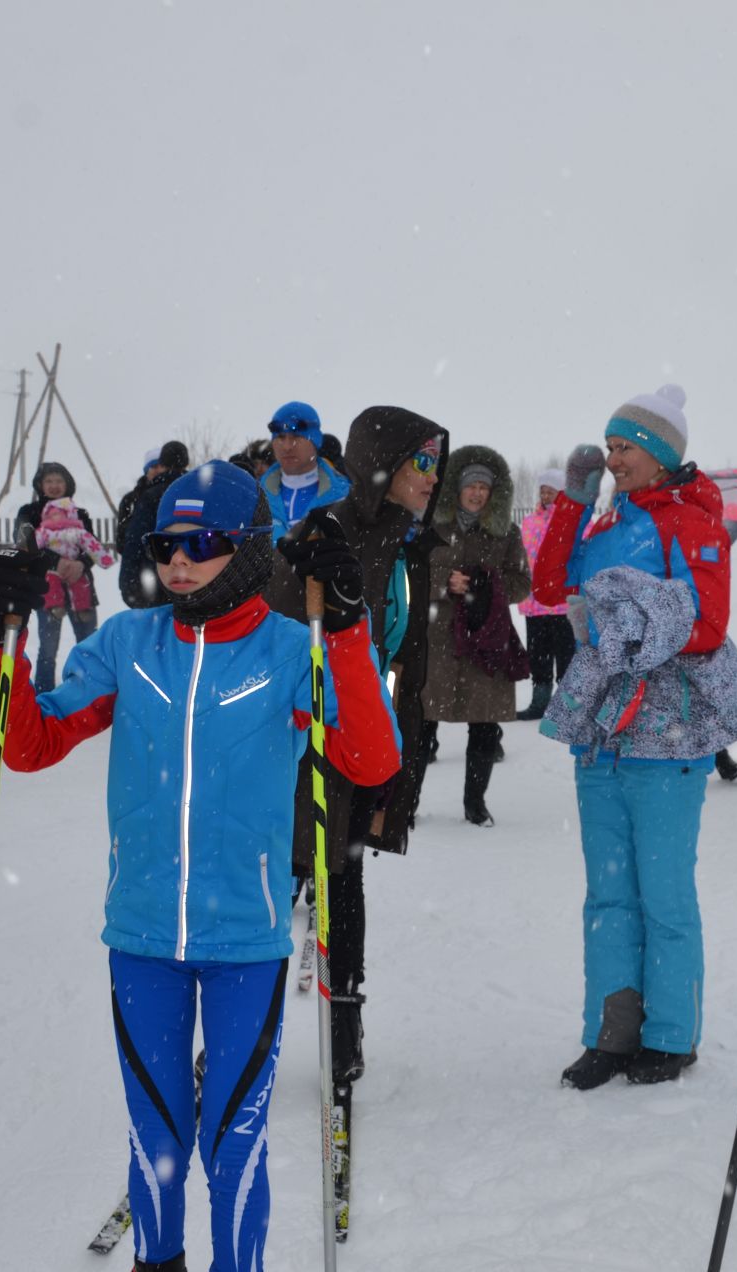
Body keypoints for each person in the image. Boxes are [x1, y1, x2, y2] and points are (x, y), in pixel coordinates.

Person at [0, 460, 400, 1272]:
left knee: (232, 1143)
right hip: (141, 934)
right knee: (156, 1134)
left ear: (247, 549)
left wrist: (344, 629)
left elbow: (372, 759)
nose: (179, 561)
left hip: (246, 936)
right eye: (167, 542)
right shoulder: (129, 644)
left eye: (202, 543)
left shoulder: (285, 647)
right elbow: (27, 744)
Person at [532, 383, 737, 1089]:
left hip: (668, 734)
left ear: (660, 453)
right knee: (607, 896)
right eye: (608, 446)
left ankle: (669, 1036)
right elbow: (545, 584)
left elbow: (709, 624)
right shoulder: (604, 524)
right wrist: (572, 500)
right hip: (602, 732)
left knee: (662, 893)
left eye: (624, 446)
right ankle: (611, 1032)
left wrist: (633, 627)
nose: (612, 457)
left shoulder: (689, 524)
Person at [282, 406, 447, 1084]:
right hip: (316, 742)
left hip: (377, 738)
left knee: (345, 883)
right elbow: (287, 638)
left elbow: (408, 646)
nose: (433, 476)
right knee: (286, 879)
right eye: (423, 461)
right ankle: (241, 1036)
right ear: (383, 463)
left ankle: (344, 1026)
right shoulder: (331, 535)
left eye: (438, 461)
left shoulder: (409, 542)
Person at [421, 447, 531, 826]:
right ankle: (406, 803)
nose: (478, 493)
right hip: (436, 643)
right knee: (421, 725)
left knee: (484, 728)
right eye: (472, 485)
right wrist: (441, 582)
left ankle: (475, 804)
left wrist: (488, 584)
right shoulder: (430, 527)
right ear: (457, 488)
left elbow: (522, 584)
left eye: (485, 487)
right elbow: (405, 577)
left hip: (485, 642)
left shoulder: (507, 532)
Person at [14, 461, 104, 693]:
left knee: (88, 646)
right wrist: (56, 562)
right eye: (49, 481)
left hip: (81, 585)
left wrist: (80, 564)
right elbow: (25, 545)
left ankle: (90, 691)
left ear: (68, 485)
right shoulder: (29, 512)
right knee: (48, 649)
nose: (54, 486)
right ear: (40, 486)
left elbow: (92, 546)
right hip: (47, 588)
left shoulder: (79, 514)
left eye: (59, 481)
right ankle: (45, 695)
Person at [516, 467, 574, 722]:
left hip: (563, 604)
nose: (546, 494)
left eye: (551, 490)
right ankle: (540, 701)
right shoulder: (528, 523)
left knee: (566, 657)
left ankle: (567, 704)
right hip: (536, 604)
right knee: (538, 657)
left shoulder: (572, 522)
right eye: (543, 490)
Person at [115, 441, 191, 608]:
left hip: (155, 577)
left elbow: (135, 540)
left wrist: (129, 584)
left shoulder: (152, 496)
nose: (156, 470)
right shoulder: (194, 491)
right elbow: (126, 539)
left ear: (163, 464)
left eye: (158, 465)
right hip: (188, 577)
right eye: (152, 466)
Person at [260, 401, 351, 537]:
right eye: (280, 437)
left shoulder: (345, 496)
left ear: (316, 441)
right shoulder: (255, 499)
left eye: (297, 437)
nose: (287, 446)